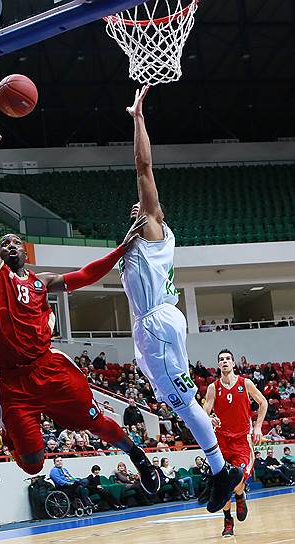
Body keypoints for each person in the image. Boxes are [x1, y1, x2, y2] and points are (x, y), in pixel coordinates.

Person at [0, 124, 158, 495]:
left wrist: (122, 248)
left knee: (95, 420)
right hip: (12, 382)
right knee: (34, 463)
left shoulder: (42, 282)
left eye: (15, 241)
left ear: (25, 251)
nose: (8, 244)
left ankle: (138, 456)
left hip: (48, 367)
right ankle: (11, 434)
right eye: (3, 242)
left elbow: (86, 274)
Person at [119, 87, 242, 513]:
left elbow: (143, 166)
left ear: (157, 213)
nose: (137, 207)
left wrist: (138, 119)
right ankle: (219, 467)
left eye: (144, 206)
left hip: (158, 322)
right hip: (148, 328)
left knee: (184, 401)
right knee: (174, 398)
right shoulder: (134, 240)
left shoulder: (153, 228)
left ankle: (222, 470)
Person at [203, 349, 268, 537]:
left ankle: (240, 495)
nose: (224, 362)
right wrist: (209, 420)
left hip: (242, 441)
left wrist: (257, 427)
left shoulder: (245, 383)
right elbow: (204, 411)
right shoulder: (213, 388)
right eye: (221, 359)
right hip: (221, 441)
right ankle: (227, 520)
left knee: (236, 480)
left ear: (233, 363)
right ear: (218, 365)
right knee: (223, 483)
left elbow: (263, 402)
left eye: (227, 359)